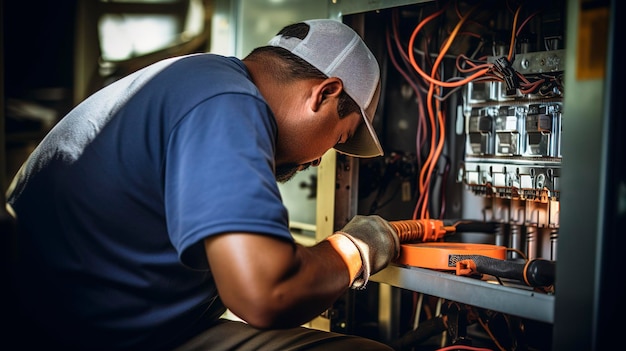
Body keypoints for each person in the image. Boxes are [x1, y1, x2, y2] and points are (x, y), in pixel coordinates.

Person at [4, 19, 400, 351]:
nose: (319, 159)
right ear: (325, 93)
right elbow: (267, 293)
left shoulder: (201, 80)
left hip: (111, 325)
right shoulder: (226, 101)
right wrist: (357, 248)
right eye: (340, 138)